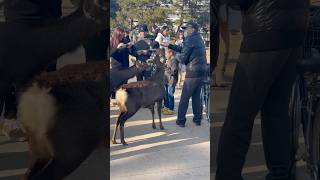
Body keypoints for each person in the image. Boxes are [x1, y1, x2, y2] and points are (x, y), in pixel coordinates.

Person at [215, 0, 309, 180]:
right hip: (295, 28)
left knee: (239, 116)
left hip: (264, 29)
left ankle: (228, 175)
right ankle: (280, 173)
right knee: (276, 111)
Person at [162, 21, 207, 127]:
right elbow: (184, 49)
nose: (184, 31)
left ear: (192, 29)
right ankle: (197, 119)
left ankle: (181, 120)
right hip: (202, 70)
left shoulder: (190, 39)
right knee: (196, 96)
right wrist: (170, 46)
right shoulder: (198, 38)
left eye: (186, 29)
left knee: (185, 97)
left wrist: (174, 55)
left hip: (193, 71)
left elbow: (182, 58)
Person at [162, 48, 179, 115]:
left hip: (171, 81)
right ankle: (166, 107)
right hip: (166, 80)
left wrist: (165, 68)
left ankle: (171, 109)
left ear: (171, 53)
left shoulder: (174, 60)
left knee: (170, 94)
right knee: (165, 94)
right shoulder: (168, 60)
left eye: (166, 53)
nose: (165, 55)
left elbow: (174, 72)